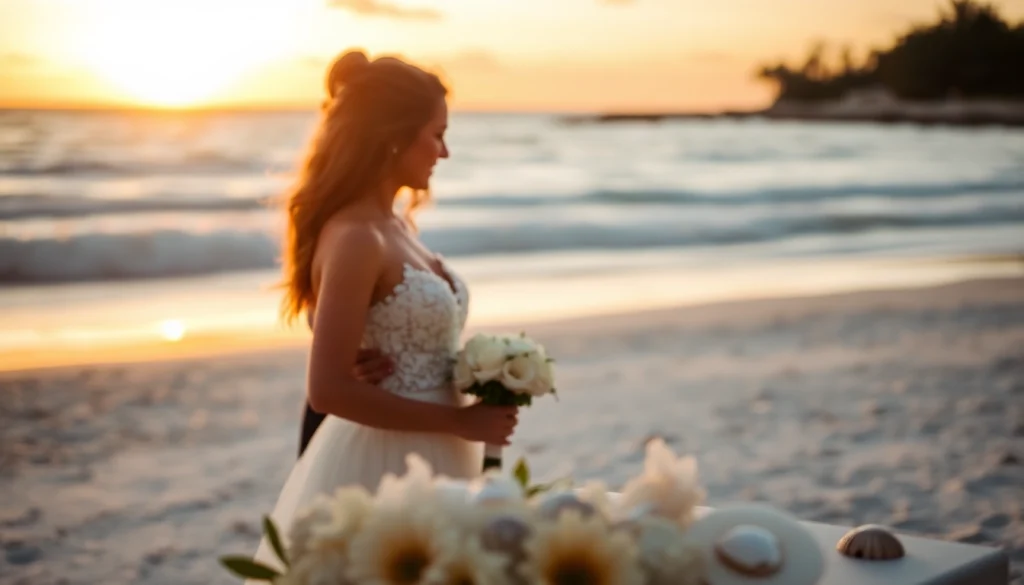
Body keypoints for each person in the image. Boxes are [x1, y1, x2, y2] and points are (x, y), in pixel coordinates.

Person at [250, 49, 519, 570]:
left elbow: (396, 334)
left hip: (439, 447)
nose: (444, 152)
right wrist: (460, 423)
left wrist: (488, 377)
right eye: (435, 134)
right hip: (383, 459)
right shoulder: (355, 237)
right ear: (393, 136)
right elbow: (327, 389)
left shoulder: (396, 226)